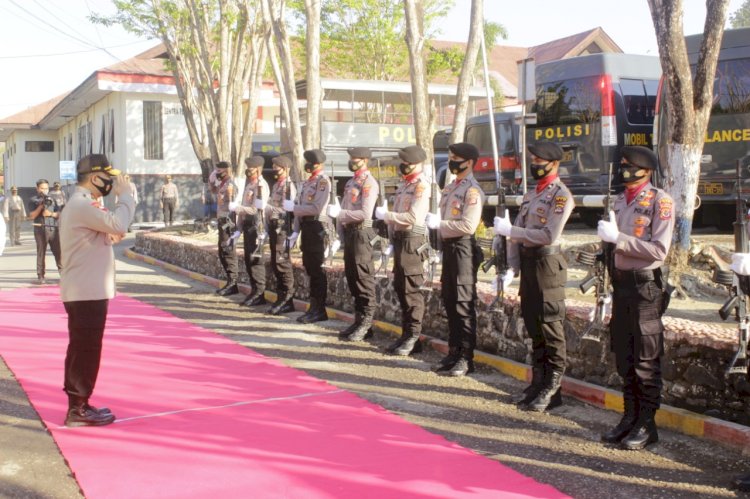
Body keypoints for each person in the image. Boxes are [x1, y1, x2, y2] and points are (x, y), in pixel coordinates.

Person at [596, 145, 674, 450]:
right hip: (621, 287)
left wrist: (620, 240)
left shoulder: (659, 201)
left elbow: (659, 250)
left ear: (646, 170)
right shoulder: (618, 200)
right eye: (623, 164)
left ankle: (647, 423)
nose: (623, 169)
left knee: (645, 358)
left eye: (629, 165)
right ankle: (629, 416)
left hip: (645, 288)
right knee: (625, 357)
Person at [493, 141, 574, 411]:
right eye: (533, 160)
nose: (535, 165)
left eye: (540, 161)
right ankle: (538, 381)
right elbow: (515, 235)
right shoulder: (531, 196)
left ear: (554, 164)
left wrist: (512, 232)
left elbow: (548, 235)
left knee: (550, 328)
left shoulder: (560, 196)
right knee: (534, 327)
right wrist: (510, 269)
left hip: (547, 266)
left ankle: (553, 386)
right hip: (528, 266)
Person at [59, 153, 135, 426]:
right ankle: (77, 409)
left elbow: (111, 232)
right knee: (86, 349)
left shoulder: (84, 204)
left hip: (86, 289)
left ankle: (80, 403)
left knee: (82, 348)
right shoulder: (81, 204)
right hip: (85, 291)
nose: (112, 183)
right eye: (108, 178)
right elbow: (119, 223)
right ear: (95, 177)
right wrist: (127, 196)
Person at [426, 143, 485, 376]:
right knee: (450, 301)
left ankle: (466, 357)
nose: (452, 161)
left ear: (469, 162)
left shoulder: (472, 190)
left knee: (463, 303)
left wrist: (439, 224)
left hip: (463, 250)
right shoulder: (451, 187)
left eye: (456, 158)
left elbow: (468, 225)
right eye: (451, 157)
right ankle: (454, 351)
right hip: (450, 250)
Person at [375, 145, 431, 356]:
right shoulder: (404, 185)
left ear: (417, 163)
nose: (404, 166)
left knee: (411, 291)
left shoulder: (421, 187)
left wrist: (387, 216)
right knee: (401, 288)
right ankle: (407, 333)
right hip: (400, 240)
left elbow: (412, 218)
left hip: (413, 241)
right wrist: (389, 239)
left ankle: (414, 336)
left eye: (408, 163)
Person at [327, 147, 379, 341]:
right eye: (351, 158)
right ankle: (359, 320)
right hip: (350, 234)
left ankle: (367, 322)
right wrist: (339, 233)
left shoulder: (368, 183)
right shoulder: (351, 182)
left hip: (361, 233)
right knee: (352, 278)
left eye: (355, 159)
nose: (352, 161)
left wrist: (339, 214)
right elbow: (346, 212)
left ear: (365, 160)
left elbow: (365, 213)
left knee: (363, 279)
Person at [284, 149, 331, 324]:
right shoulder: (307, 182)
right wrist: (295, 231)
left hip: (317, 227)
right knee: (310, 268)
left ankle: (319, 309)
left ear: (318, 164)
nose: (308, 165)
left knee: (317, 270)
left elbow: (316, 208)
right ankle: (313, 307)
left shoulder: (322, 182)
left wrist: (293, 209)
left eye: (311, 162)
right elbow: (300, 207)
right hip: (306, 227)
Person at [232, 156, 269, 307]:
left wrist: (237, 208)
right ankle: (254, 290)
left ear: (258, 169)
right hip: (247, 225)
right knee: (248, 259)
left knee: (256, 260)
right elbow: (243, 206)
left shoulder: (261, 185)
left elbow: (256, 209)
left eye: (251, 168)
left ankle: (260, 293)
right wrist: (238, 228)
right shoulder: (249, 185)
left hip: (257, 225)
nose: (248, 171)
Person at [265, 156, 297, 315]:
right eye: (273, 166)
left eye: (277, 167)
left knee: (282, 262)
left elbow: (288, 210)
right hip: (273, 227)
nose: (274, 169)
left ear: (285, 168)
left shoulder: (289, 186)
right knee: (275, 262)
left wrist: (270, 209)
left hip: (282, 228)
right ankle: (281, 296)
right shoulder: (277, 185)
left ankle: (288, 299)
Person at [211, 162, 240, 296]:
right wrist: (211, 181)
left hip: (228, 221)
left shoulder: (230, 185)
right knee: (222, 251)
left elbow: (230, 204)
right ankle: (229, 280)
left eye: (219, 170)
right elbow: (214, 192)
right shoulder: (222, 184)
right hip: (222, 220)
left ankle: (233, 282)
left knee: (228, 250)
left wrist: (226, 195)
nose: (217, 172)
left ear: (226, 171)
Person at [27, 179, 63, 285]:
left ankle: (64, 275)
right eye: (42, 188)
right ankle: (41, 276)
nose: (44, 190)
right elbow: (31, 216)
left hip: (53, 229)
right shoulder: (33, 200)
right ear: (37, 188)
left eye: (46, 188)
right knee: (41, 253)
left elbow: (59, 214)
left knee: (59, 253)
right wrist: (40, 207)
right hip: (40, 230)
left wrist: (51, 214)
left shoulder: (52, 199)